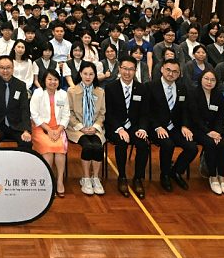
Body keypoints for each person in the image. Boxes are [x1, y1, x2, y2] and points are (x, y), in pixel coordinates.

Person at [145, 59, 197, 192]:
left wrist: (185, 126)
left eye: (175, 71)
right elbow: (147, 111)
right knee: (168, 144)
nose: (171, 74)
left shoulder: (182, 88)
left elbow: (185, 110)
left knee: (192, 147)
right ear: (162, 69)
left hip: (175, 127)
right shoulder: (150, 86)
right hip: (156, 127)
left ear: (179, 74)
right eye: (168, 70)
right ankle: (165, 174)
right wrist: (157, 127)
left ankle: (176, 171)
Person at [103, 56, 149, 199]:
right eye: (124, 69)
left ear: (135, 71)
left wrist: (142, 129)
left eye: (131, 69)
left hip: (135, 127)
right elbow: (108, 113)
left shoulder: (142, 88)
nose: (127, 72)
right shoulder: (110, 88)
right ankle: (122, 177)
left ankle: (138, 178)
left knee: (143, 144)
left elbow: (145, 113)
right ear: (119, 69)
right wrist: (119, 129)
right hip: (116, 127)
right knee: (121, 142)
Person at [66, 61, 107, 196]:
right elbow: (69, 113)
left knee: (98, 147)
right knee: (88, 147)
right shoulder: (72, 91)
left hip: (95, 128)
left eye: (91, 74)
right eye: (85, 74)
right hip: (77, 129)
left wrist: (95, 127)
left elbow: (102, 113)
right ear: (80, 74)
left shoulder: (100, 92)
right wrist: (81, 127)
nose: (88, 77)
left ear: (95, 75)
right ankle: (85, 178)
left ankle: (95, 178)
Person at [189, 69, 224, 195]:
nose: (209, 82)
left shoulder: (218, 95)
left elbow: (220, 117)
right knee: (210, 144)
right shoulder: (193, 93)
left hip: (214, 130)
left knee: (223, 145)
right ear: (201, 79)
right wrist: (208, 132)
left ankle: (222, 177)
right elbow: (195, 117)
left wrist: (217, 132)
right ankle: (212, 177)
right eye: (206, 79)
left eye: (212, 80)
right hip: (198, 129)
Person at [31, 69, 70, 197]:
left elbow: (66, 115)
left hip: (58, 129)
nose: (53, 82)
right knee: (48, 148)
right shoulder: (38, 93)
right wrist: (48, 130)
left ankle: (59, 180)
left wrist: (58, 130)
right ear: (44, 80)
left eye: (55, 79)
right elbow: (34, 115)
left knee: (59, 149)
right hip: (41, 128)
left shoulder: (63, 94)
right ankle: (49, 180)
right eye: (50, 79)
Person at [0, 56, 32, 149]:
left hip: (16, 126)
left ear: (13, 68)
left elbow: (25, 109)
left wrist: (26, 130)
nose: (5, 71)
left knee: (26, 143)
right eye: (2, 68)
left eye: (8, 68)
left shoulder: (21, 85)